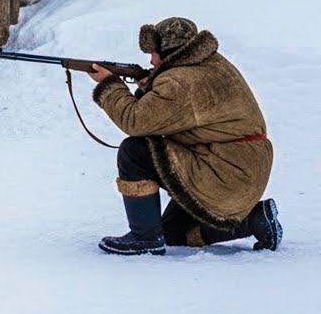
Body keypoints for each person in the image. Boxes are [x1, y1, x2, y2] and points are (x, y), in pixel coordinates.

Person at [88, 17, 282, 255]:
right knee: (172, 233)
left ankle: (144, 238)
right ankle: (255, 221)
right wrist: (150, 86)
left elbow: (135, 121)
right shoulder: (209, 64)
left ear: (169, 53)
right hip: (237, 168)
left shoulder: (180, 81)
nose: (150, 60)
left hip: (224, 172)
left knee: (135, 151)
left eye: (155, 53)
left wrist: (110, 85)